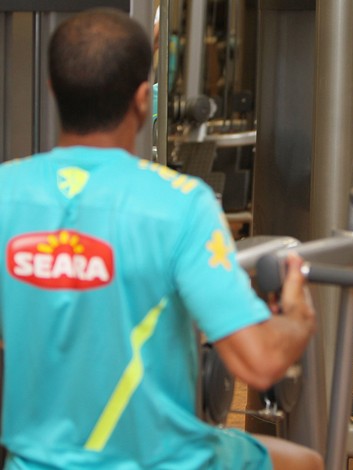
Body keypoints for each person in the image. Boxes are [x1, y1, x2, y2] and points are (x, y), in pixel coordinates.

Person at [0, 8, 323, 470]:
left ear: (53, 90)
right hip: (166, 460)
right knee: (305, 462)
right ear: (141, 100)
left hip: (33, 462)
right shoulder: (181, 204)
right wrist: (296, 319)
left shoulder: (6, 191)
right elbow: (261, 363)